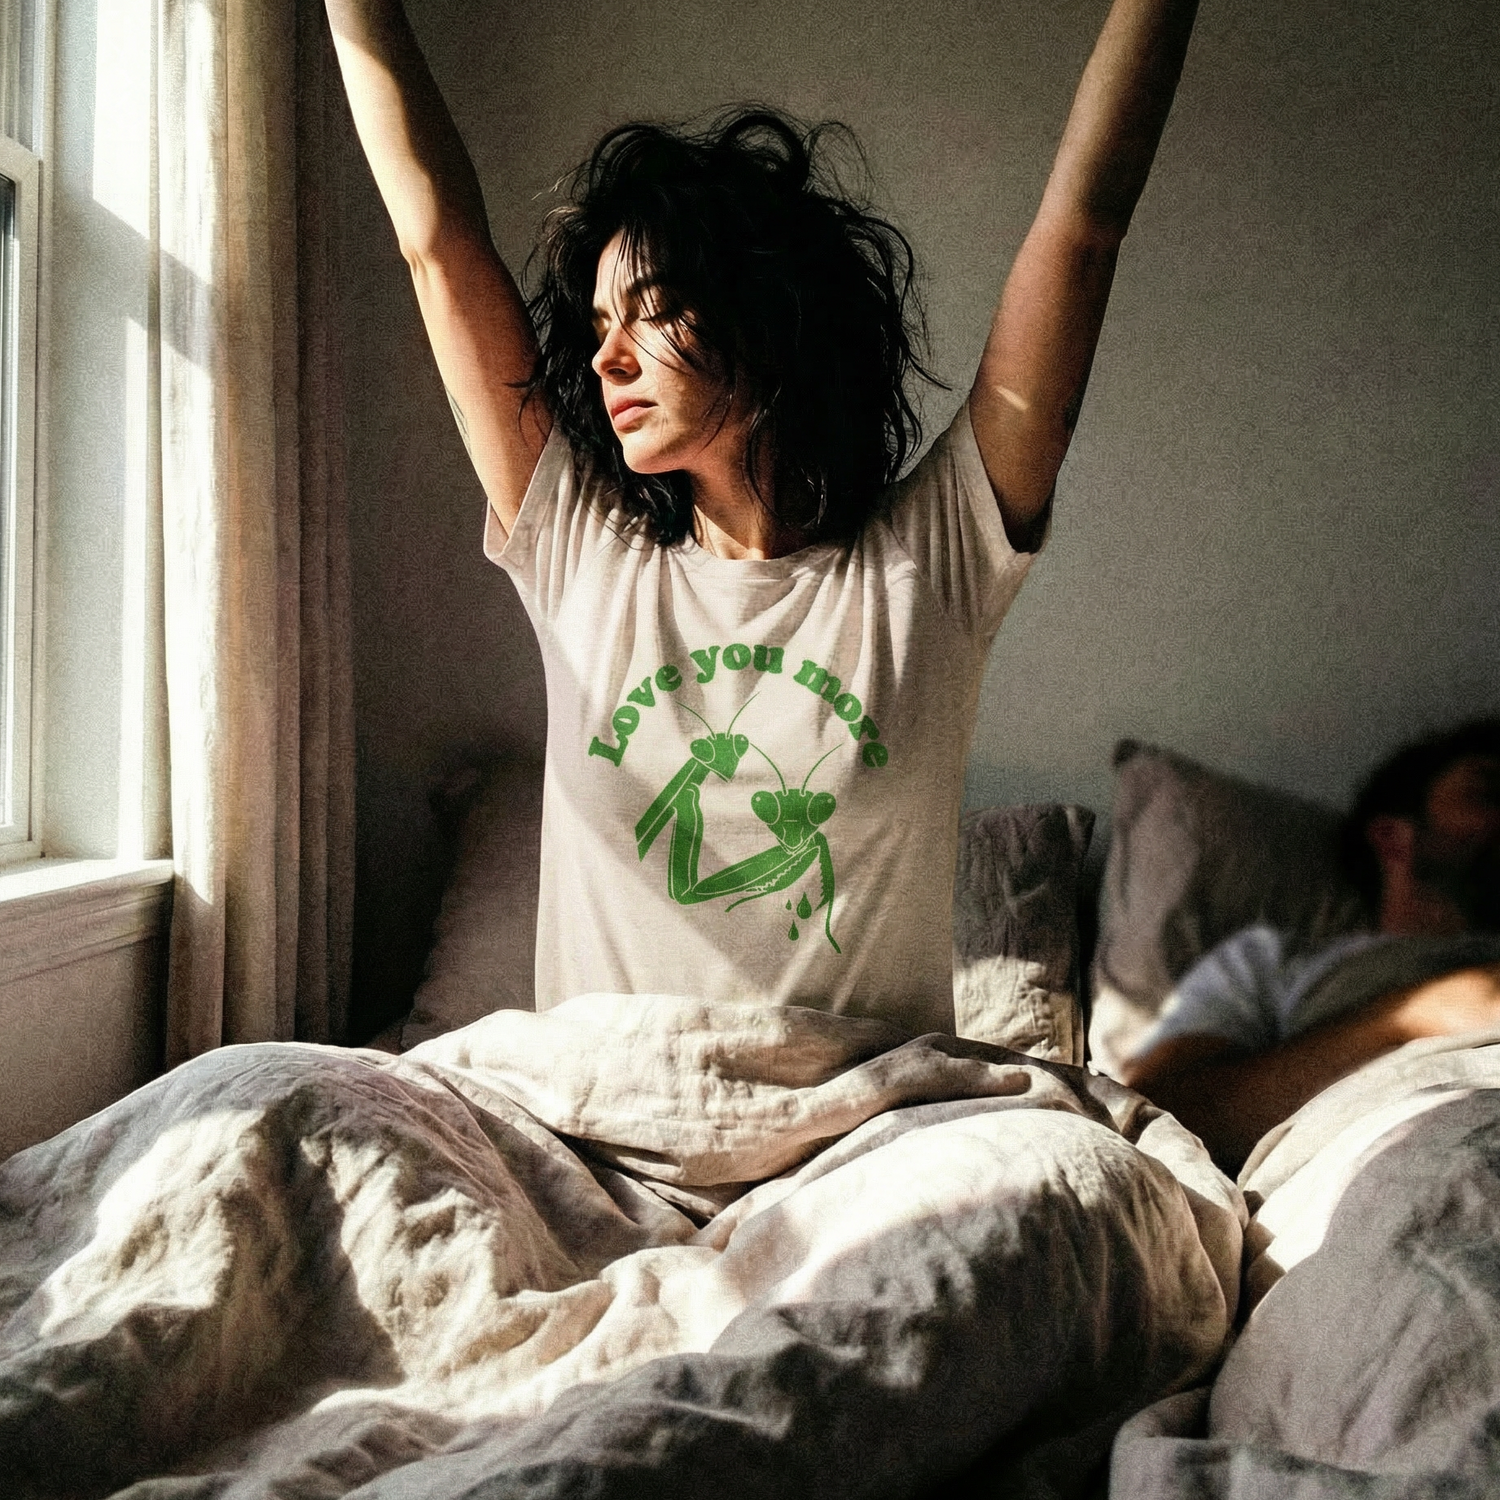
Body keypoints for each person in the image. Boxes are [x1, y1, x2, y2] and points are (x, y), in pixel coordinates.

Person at [325, 0, 1200, 1036]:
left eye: (651, 310)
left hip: (859, 1136)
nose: (608, 358)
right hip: (607, 1129)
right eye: (600, 324)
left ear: (767, 318)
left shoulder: (931, 564)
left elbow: (1084, 226)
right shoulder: (580, 551)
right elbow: (438, 246)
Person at [1123, 719, 1500, 1171]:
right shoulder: (1271, 961)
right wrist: (1427, 1014)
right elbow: (1163, 1118)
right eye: (1490, 792)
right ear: (1393, 836)